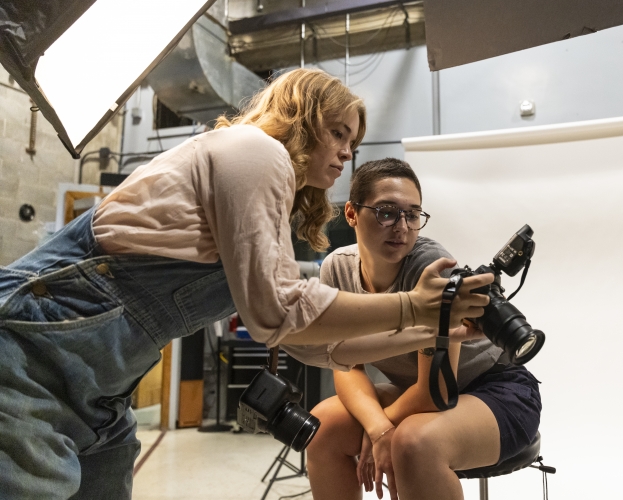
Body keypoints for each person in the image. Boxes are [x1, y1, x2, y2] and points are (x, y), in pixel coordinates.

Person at [0, 69, 491, 500]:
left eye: (353, 143)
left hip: (101, 384)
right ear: (301, 115)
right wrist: (413, 309)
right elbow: (279, 313)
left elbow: (320, 348)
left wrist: (433, 331)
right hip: (36, 349)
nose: (346, 155)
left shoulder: (261, 179)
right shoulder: (255, 151)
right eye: (338, 134)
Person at [302, 158, 542, 500]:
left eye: (412, 214)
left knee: (414, 442)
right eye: (387, 212)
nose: (401, 226)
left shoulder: (430, 269)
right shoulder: (337, 270)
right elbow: (344, 364)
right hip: (415, 390)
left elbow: (437, 390)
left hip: (495, 390)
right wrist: (378, 428)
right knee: (322, 427)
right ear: (352, 213)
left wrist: (385, 431)